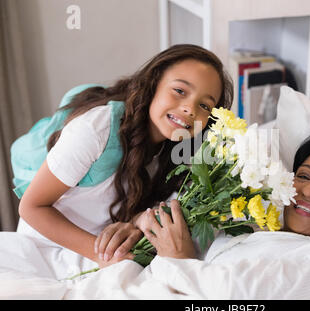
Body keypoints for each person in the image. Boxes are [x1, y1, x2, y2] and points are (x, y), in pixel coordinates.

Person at [0, 44, 233, 280]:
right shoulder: (97, 129)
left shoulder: (179, 151)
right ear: (153, 83)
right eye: (180, 91)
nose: (189, 109)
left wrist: (137, 222)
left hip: (99, 251)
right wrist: (102, 254)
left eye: (204, 105)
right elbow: (31, 207)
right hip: (44, 251)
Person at [135, 134, 310, 299]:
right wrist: (141, 225)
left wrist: (179, 262)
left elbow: (242, 295)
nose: (308, 191)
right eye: (304, 176)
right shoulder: (252, 222)